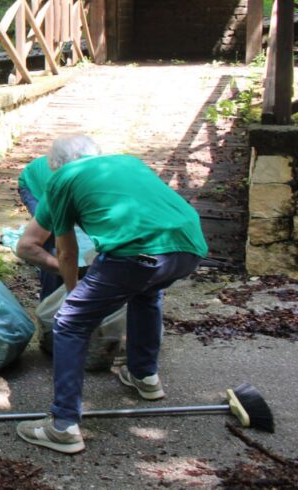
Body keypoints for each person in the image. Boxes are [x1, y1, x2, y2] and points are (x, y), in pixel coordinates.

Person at [14, 136, 208, 454]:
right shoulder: (127, 161)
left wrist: (74, 297)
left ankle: (62, 426)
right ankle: (145, 377)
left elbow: (64, 253)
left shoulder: (62, 178)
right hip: (189, 246)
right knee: (147, 293)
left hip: (135, 253)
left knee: (68, 323)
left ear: (55, 166)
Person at [17, 141, 98, 299]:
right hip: (33, 185)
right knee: (51, 237)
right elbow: (30, 246)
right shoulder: (60, 187)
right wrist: (71, 275)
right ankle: (50, 296)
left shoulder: (94, 175)